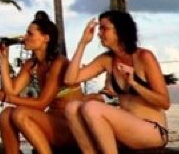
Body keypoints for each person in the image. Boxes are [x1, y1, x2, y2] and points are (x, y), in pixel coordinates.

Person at [64, 10, 170, 154]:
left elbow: (164, 102)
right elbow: (70, 80)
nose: (99, 34)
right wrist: (83, 43)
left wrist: (134, 84)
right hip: (125, 128)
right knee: (72, 108)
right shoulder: (107, 59)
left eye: (104, 28)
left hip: (152, 130)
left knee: (92, 108)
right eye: (99, 28)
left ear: (120, 31)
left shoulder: (144, 57)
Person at [0, 11, 83, 154]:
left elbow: (42, 103)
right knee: (6, 114)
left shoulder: (59, 63)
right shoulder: (31, 64)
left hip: (70, 127)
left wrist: (4, 97)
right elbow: (11, 91)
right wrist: (4, 60)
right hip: (51, 122)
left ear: (46, 38)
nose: (25, 37)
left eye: (30, 34)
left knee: (20, 114)